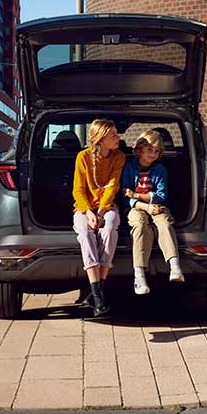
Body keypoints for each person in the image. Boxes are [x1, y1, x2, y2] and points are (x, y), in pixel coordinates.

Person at [72, 118, 126, 317]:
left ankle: (96, 295)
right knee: (86, 233)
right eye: (113, 135)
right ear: (100, 139)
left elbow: (113, 187)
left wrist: (101, 213)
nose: (117, 137)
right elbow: (78, 190)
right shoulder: (83, 157)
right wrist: (88, 213)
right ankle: (99, 296)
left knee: (110, 229)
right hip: (84, 208)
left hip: (107, 207)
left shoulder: (118, 157)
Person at [121, 129, 184, 295]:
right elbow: (124, 196)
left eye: (156, 151)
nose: (153, 154)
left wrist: (137, 195)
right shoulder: (129, 167)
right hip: (136, 207)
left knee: (165, 222)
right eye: (149, 149)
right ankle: (139, 275)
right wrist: (142, 203)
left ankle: (175, 266)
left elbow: (162, 195)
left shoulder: (160, 169)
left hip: (156, 205)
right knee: (140, 225)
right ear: (139, 149)